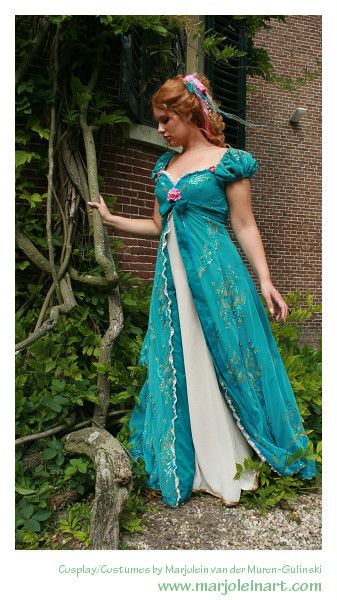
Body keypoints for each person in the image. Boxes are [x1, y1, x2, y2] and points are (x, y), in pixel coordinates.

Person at [88, 73, 316, 509]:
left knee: (226, 355)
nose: (159, 128)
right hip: (173, 283)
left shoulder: (227, 161)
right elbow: (158, 225)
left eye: (164, 119)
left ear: (189, 113)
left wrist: (266, 279)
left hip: (217, 275)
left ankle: (232, 459)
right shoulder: (164, 167)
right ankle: (193, 465)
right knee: (184, 358)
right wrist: (113, 219)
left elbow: (245, 224)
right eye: (156, 121)